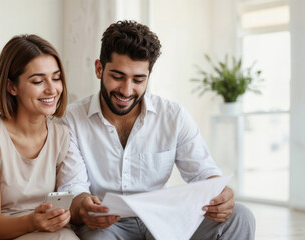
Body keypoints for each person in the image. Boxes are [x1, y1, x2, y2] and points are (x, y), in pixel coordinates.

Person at [61, 20, 256, 239]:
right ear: (99, 68)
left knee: (240, 216)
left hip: (163, 218)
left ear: (149, 76)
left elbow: (203, 173)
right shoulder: (71, 120)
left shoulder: (173, 116)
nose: (126, 90)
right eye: (117, 77)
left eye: (138, 79)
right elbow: (73, 187)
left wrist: (221, 194)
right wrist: (83, 208)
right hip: (107, 224)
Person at [0, 34, 89, 240]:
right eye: (38, 81)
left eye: (56, 78)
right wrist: (32, 221)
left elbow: (69, 193)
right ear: (11, 87)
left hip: (39, 230)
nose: (52, 89)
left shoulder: (61, 135)